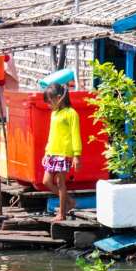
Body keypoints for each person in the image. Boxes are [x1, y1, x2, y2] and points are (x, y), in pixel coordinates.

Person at [41, 83, 81, 221]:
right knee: (46, 181)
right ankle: (69, 201)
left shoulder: (71, 114)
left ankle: (62, 214)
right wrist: (46, 152)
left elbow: (75, 135)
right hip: (52, 152)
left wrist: (76, 155)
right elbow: (51, 135)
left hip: (64, 154)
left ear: (59, 98)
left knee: (60, 182)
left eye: (50, 102)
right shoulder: (54, 114)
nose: (49, 105)